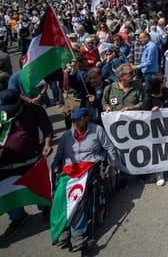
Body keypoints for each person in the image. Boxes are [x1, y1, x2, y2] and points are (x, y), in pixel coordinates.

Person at [51, 107, 120, 251]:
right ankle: (63, 230)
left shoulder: (97, 130)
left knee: (79, 196)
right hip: (70, 170)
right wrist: (55, 168)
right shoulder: (66, 136)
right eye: (73, 120)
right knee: (59, 196)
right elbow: (57, 158)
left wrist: (113, 166)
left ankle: (78, 233)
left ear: (86, 119)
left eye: (78, 120)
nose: (75, 122)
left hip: (90, 167)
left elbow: (110, 148)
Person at [0, 89, 54, 239]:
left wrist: (47, 144)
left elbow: (47, 128)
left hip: (30, 158)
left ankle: (46, 209)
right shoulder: (2, 112)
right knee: (7, 190)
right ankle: (18, 216)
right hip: (4, 162)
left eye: (10, 107)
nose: (7, 110)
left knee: (38, 186)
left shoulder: (33, 109)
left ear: (18, 101)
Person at [142, 73, 168, 186]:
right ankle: (159, 173)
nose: (165, 82)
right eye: (163, 81)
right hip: (154, 128)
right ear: (157, 84)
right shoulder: (148, 98)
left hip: (167, 125)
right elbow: (143, 116)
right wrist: (152, 112)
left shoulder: (166, 91)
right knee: (158, 150)